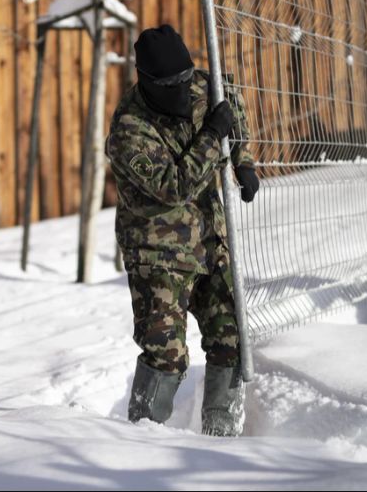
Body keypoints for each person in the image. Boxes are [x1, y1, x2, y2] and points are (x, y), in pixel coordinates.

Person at [105, 24, 259, 436]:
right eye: (171, 83)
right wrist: (212, 135)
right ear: (148, 81)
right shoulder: (129, 130)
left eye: (186, 78)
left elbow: (233, 105)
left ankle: (220, 441)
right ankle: (138, 442)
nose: (183, 89)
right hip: (157, 253)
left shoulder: (198, 85)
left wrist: (243, 159)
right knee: (166, 355)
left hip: (209, 240)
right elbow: (174, 186)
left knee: (231, 337)